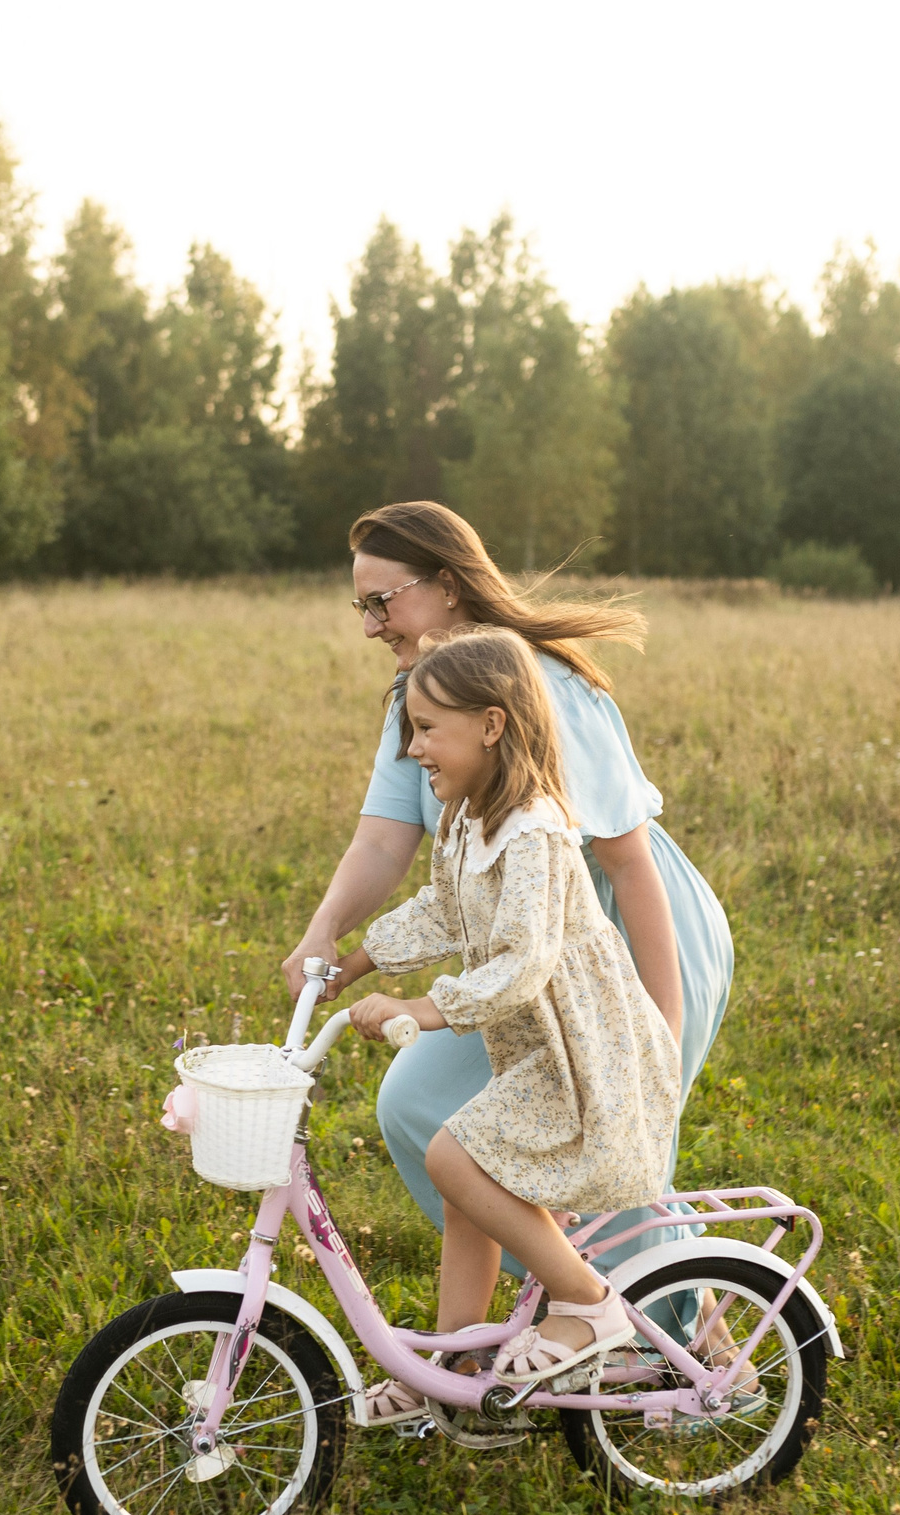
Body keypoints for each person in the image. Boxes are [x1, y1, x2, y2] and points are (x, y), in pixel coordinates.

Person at [280, 501, 734, 1320]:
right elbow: (386, 842)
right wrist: (326, 937)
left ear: (447, 587)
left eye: (383, 602)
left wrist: (658, 1039)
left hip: (627, 936)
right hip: (515, 942)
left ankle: (675, 1338)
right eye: (363, 606)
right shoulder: (421, 697)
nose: (371, 625)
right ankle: (529, 1330)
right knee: (423, 1108)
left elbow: (628, 863)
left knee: (608, 1145)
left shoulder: (536, 686)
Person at [340, 628, 678, 1418]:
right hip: (541, 1056)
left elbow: (523, 965)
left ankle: (587, 1303)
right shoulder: (466, 821)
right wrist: (353, 961)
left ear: (491, 725)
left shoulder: (537, 830)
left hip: (586, 1057)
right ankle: (451, 1378)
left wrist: (421, 1012)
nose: (413, 749)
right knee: (467, 1188)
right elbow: (442, 911)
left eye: (427, 729)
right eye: (410, 730)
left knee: (455, 1157)